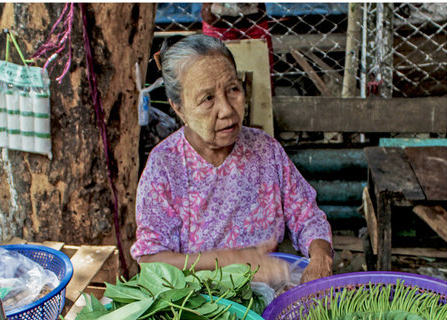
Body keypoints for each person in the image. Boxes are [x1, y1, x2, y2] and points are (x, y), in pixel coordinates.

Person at [131, 35, 333, 287]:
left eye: (233, 90)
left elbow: (306, 216)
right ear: (179, 108)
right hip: (200, 304)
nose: (227, 109)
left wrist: (320, 256)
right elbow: (151, 261)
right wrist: (233, 261)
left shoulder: (265, 149)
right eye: (207, 99)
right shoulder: (165, 166)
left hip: (271, 290)